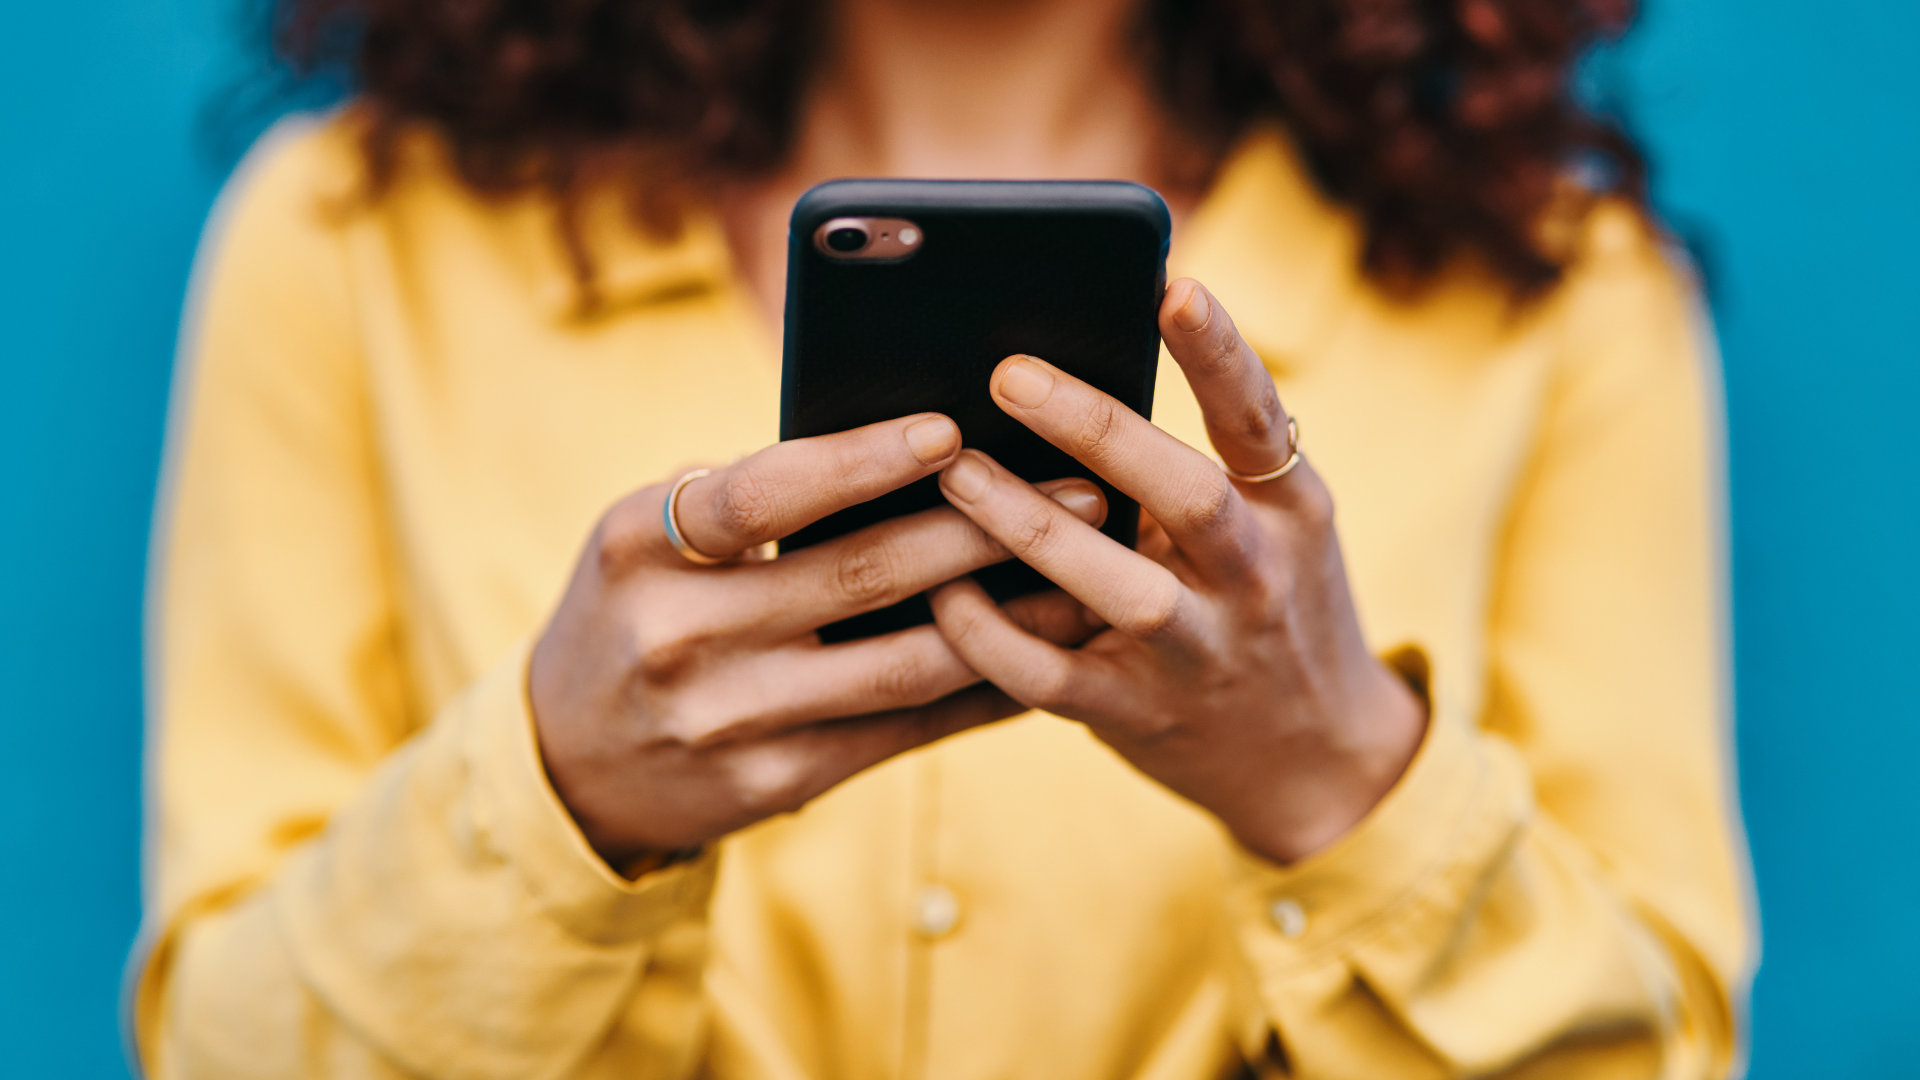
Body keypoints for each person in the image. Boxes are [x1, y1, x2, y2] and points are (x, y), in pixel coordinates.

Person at [129, 0, 1754, 1073]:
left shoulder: (1561, 289)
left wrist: (1344, 787)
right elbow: (219, 1046)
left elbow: (1667, 1045)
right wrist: (554, 800)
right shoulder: (346, 238)